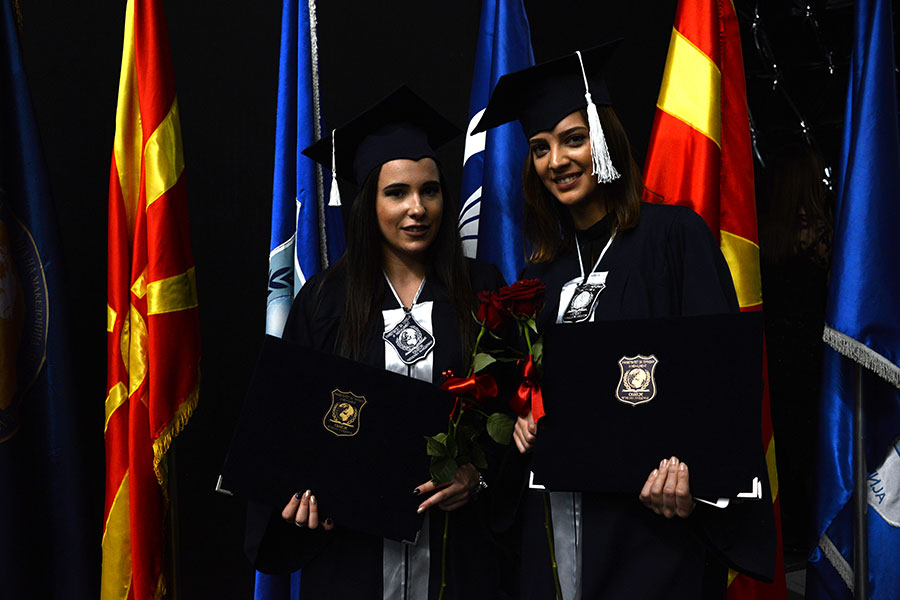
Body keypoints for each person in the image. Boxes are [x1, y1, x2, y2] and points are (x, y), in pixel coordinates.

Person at [472, 42, 776, 599]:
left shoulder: (674, 239)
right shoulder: (540, 276)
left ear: (606, 139)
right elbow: (529, 388)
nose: (557, 161)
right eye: (540, 148)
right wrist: (522, 418)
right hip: (554, 526)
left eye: (573, 139)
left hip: (648, 533)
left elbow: (722, 379)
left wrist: (691, 477)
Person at [243, 87, 510, 599]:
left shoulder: (480, 290)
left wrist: (477, 479)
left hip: (457, 559)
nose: (417, 208)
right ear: (369, 202)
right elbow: (286, 426)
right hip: (353, 561)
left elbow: (512, 417)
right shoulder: (325, 301)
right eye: (397, 193)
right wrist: (298, 502)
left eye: (430, 191)